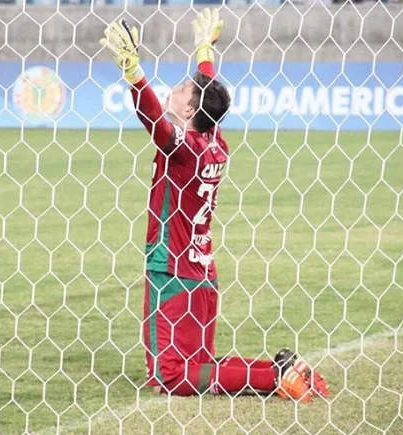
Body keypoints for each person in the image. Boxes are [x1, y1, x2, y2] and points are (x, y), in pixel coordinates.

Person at [100, 8, 330, 402]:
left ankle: (274, 380)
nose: (173, 88)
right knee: (200, 365)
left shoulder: (184, 149)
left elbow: (152, 117)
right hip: (203, 275)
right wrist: (205, 49)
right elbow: (211, 98)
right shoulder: (215, 141)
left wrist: (133, 72)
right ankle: (281, 369)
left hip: (172, 271)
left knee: (169, 377)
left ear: (189, 111)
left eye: (182, 90)